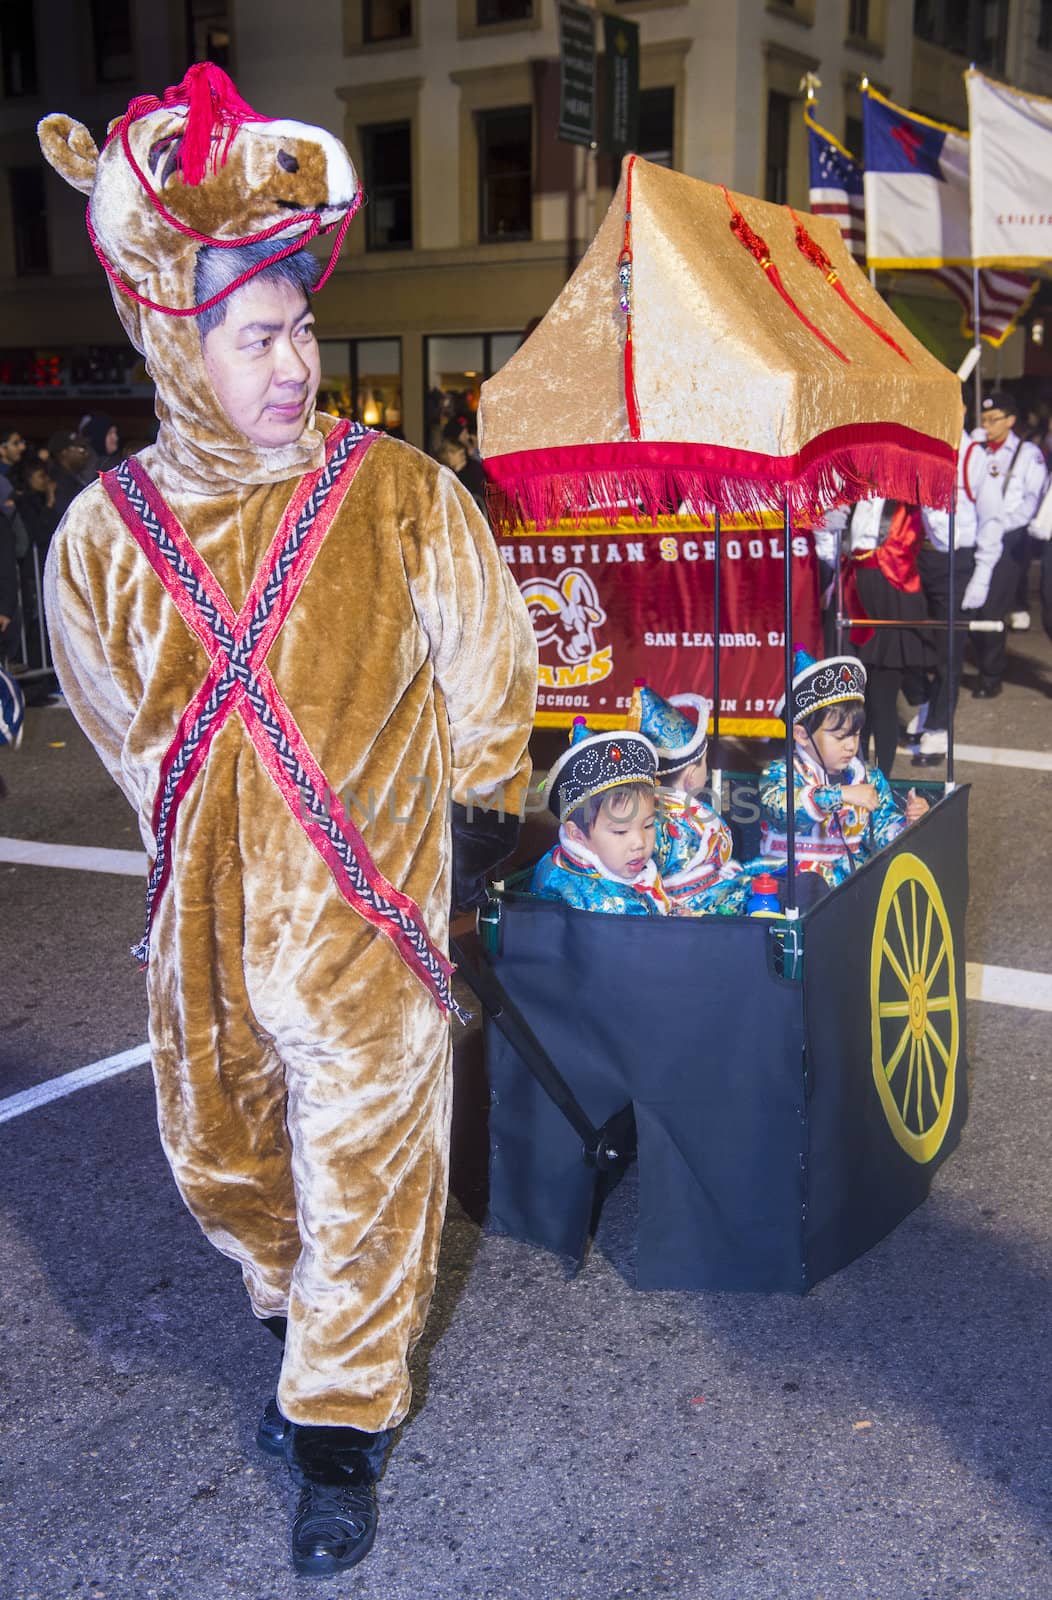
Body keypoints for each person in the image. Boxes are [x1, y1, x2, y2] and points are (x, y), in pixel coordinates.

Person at [40, 66, 537, 1580]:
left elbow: (491, 673)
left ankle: (341, 1425)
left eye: (302, 327)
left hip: (368, 939)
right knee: (226, 1162)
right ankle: (299, 1311)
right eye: (259, 334)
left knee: (375, 1169)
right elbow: (119, 723)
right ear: (173, 344)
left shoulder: (398, 495)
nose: (296, 359)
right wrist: (214, 840)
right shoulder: (100, 536)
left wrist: (464, 820)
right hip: (200, 947)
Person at [909, 399, 1005, 764]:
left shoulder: (976, 458)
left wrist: (982, 574)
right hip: (921, 556)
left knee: (950, 649)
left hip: (958, 561)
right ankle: (924, 702)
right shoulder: (922, 450)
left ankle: (937, 727)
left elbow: (992, 520)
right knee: (913, 642)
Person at [531, 716, 671, 914]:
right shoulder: (581, 900)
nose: (639, 842)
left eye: (648, 825)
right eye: (621, 831)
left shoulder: (621, 860)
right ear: (577, 835)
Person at [625, 681, 739, 911]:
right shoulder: (695, 817)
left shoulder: (637, 810)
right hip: (697, 904)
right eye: (704, 763)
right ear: (691, 776)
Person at [969, 391, 1046, 694]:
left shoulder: (1027, 454)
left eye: (993, 419)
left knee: (992, 608)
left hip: (1007, 538)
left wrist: (1000, 525)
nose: (986, 425)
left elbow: (1032, 499)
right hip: (976, 536)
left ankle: (991, 675)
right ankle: (982, 660)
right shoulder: (977, 449)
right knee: (972, 607)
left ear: (1010, 421)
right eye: (983, 419)